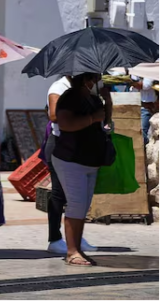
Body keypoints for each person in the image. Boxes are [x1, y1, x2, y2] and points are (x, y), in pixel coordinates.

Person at [52, 73, 112, 266]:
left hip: (90, 160)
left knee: (83, 206)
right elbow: (64, 123)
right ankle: (71, 251)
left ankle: (77, 248)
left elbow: (104, 121)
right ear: (87, 81)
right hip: (71, 159)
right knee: (76, 204)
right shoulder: (70, 98)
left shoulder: (93, 98)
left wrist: (107, 101)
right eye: (95, 80)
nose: (97, 83)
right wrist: (92, 118)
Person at [45, 76, 97, 254]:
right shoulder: (59, 87)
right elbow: (53, 115)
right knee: (59, 195)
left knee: (78, 198)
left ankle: (75, 237)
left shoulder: (88, 90)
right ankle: (55, 238)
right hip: (61, 144)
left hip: (79, 146)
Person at [130, 75, 158, 144]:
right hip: (136, 104)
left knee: (141, 133)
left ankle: (146, 147)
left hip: (147, 107)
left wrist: (129, 81)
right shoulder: (133, 73)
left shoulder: (147, 71)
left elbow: (145, 85)